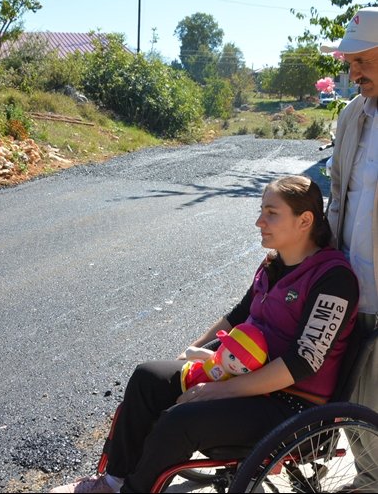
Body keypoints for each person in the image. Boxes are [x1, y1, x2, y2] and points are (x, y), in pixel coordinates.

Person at [53, 175, 358, 493]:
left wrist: (224, 391)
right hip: (242, 376)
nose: (259, 221)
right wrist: (189, 353)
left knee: (182, 420)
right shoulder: (273, 265)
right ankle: (114, 482)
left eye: (271, 213)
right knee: (149, 378)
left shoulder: (334, 279)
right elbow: (238, 316)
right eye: (261, 211)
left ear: (304, 220)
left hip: (292, 405)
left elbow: (303, 362)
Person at [321, 5, 378, 488]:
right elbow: (338, 197)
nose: (353, 71)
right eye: (349, 61)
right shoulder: (351, 116)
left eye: (363, 59)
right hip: (349, 295)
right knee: (351, 408)